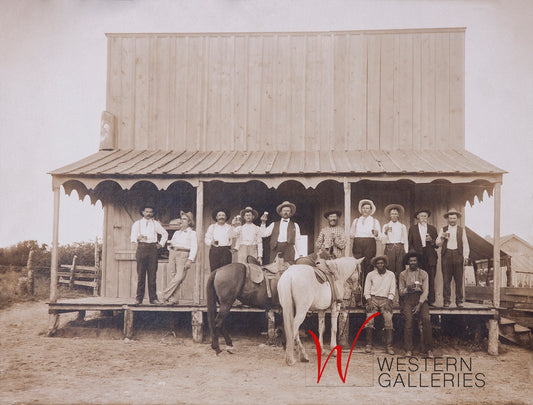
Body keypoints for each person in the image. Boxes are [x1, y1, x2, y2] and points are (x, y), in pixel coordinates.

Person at [130, 205, 168, 305]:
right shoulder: (137, 224)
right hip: (141, 248)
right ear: (142, 212)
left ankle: (153, 299)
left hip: (152, 249)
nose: (148, 214)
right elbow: (132, 237)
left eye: (150, 212)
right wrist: (138, 237)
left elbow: (165, 234)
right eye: (146, 211)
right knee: (141, 275)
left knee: (152, 275)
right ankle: (138, 299)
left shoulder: (155, 224)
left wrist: (160, 244)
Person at [399, 252, 433, 357]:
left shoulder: (424, 274)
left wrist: (419, 304)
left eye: (415, 260)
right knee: (408, 322)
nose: (413, 263)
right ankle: (408, 349)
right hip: (408, 299)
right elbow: (400, 291)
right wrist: (407, 289)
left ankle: (428, 349)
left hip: (421, 299)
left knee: (426, 320)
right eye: (411, 261)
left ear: (417, 262)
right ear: (408, 262)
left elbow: (426, 291)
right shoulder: (403, 274)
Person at [160, 211, 197, 306]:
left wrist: (190, 260)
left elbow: (194, 247)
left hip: (184, 254)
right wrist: (170, 248)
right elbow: (171, 243)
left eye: (184, 219)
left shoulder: (192, 233)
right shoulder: (177, 232)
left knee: (179, 277)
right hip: (173, 253)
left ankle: (164, 294)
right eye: (181, 219)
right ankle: (174, 299)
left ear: (189, 222)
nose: (181, 221)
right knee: (173, 275)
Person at [436, 208, 470, 308]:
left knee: (459, 279)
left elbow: (465, 244)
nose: (452, 220)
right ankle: (446, 301)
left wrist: (466, 256)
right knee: (446, 279)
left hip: (458, 254)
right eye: (450, 218)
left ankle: (459, 301)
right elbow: (437, 244)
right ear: (448, 219)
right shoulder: (443, 229)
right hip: (446, 255)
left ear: (457, 219)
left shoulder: (461, 230)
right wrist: (442, 237)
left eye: (454, 218)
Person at [363, 255, 396, 355]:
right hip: (373, 299)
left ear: (385, 264)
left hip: (385, 300)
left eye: (382, 263)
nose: (380, 265)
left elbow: (392, 289)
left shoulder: (391, 275)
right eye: (378, 263)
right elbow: (366, 290)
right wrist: (368, 300)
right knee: (369, 318)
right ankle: (369, 344)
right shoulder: (371, 274)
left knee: (388, 318)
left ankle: (389, 346)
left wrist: (389, 301)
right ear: (375, 265)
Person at [407, 209, 439, 306]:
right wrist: (413, 256)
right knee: (417, 278)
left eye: (425, 216)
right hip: (418, 256)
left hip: (430, 256)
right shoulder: (413, 229)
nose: (423, 218)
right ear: (417, 218)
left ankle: (431, 300)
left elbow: (436, 245)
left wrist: (432, 240)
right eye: (421, 216)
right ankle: (418, 300)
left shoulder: (432, 229)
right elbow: (410, 244)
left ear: (427, 218)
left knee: (430, 278)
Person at [350, 199, 381, 280]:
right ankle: (358, 287)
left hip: (370, 244)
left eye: (367, 208)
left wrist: (376, 234)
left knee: (369, 265)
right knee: (358, 265)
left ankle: (367, 288)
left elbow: (379, 237)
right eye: (363, 208)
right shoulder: (356, 221)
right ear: (361, 209)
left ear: (371, 210)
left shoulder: (374, 221)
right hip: (358, 244)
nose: (365, 210)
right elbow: (351, 234)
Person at [381, 204, 408, 288]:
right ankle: (390, 292)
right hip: (389, 249)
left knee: (400, 270)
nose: (394, 215)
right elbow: (383, 242)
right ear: (389, 215)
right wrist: (385, 233)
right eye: (392, 214)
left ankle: (400, 292)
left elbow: (405, 240)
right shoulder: (386, 226)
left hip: (400, 249)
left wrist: (406, 253)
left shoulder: (402, 226)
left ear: (398, 215)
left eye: (396, 214)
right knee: (389, 270)